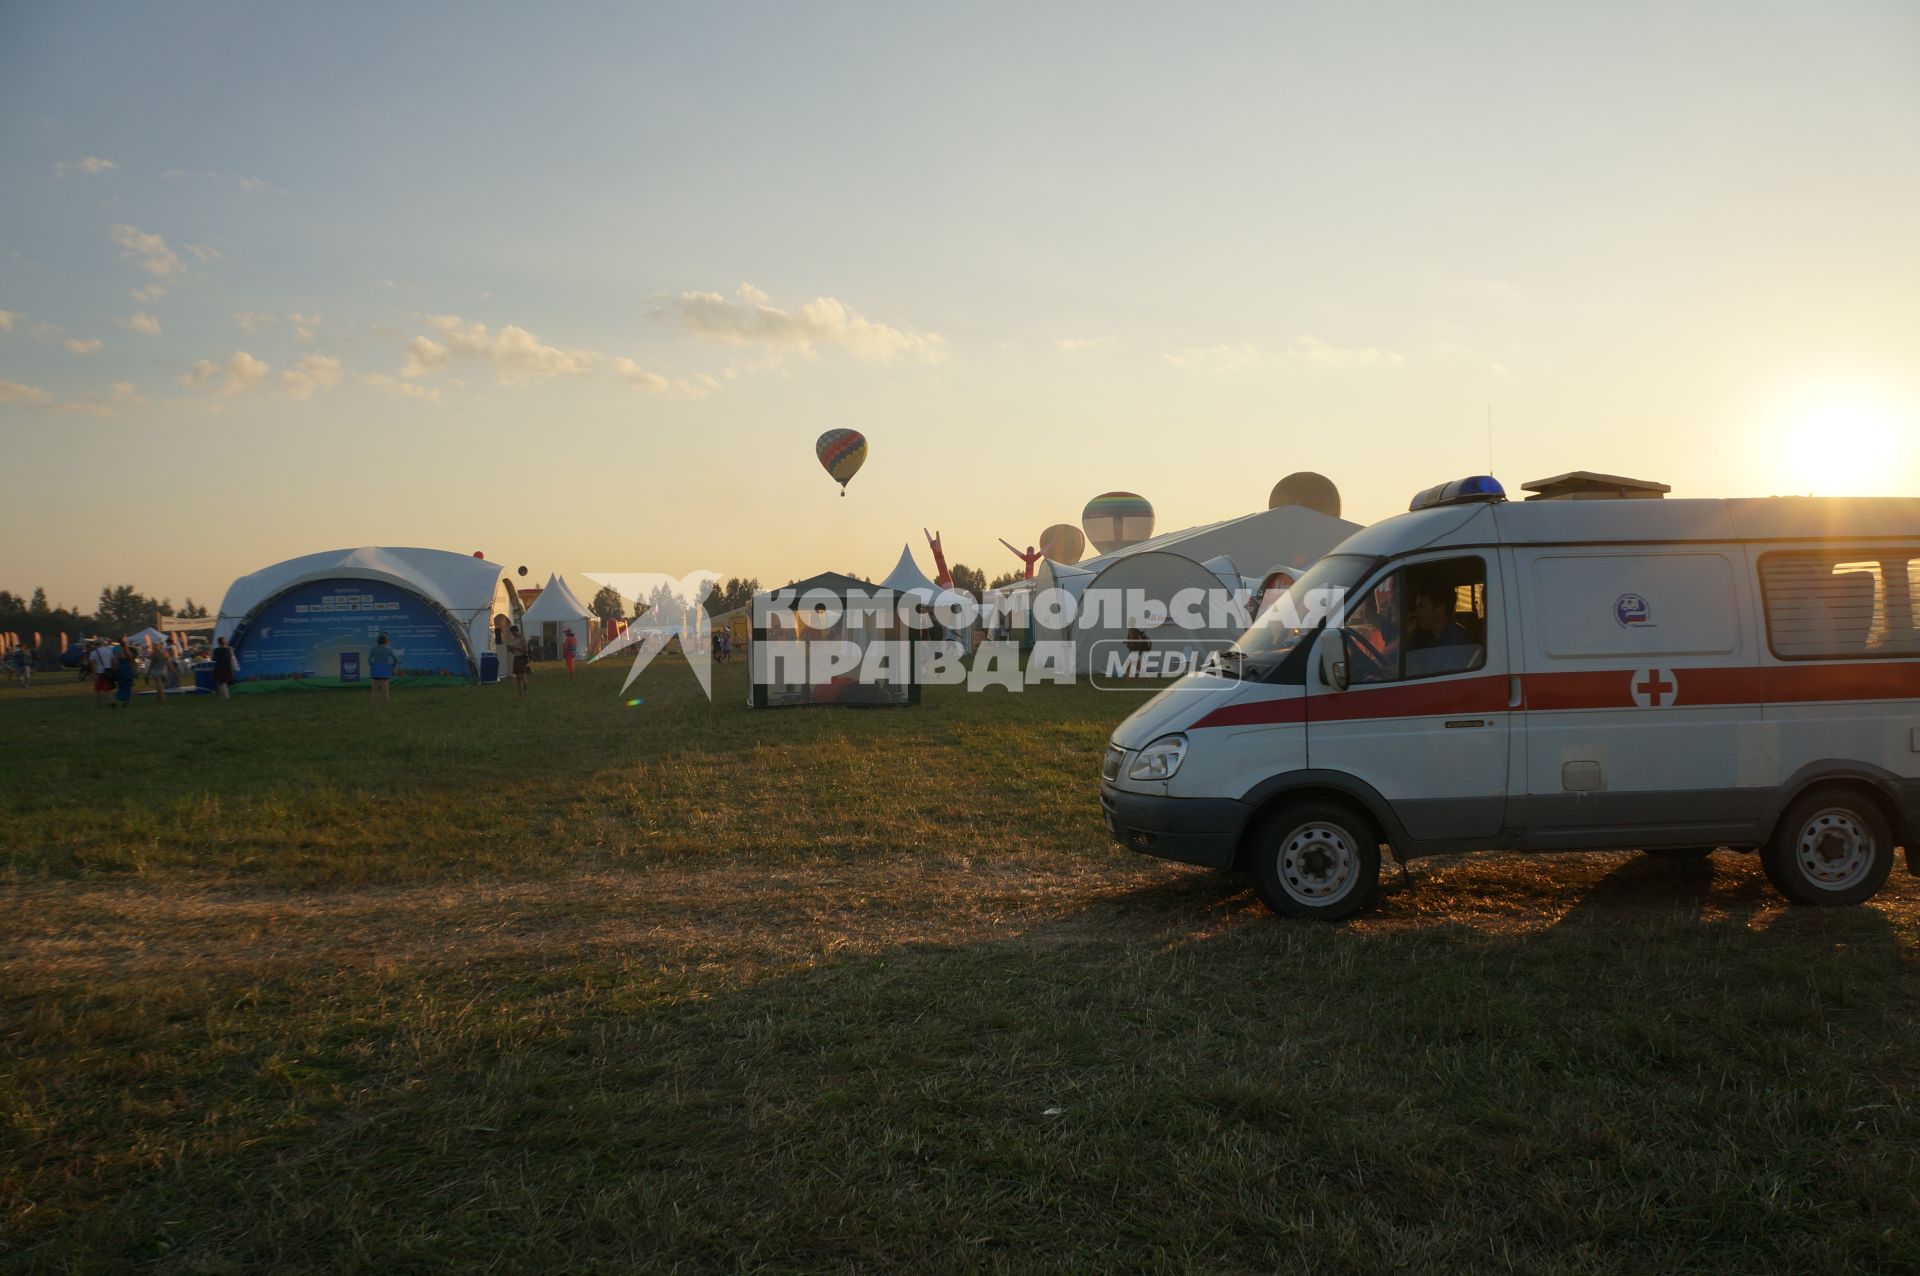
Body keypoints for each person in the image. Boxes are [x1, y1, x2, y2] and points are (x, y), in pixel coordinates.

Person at [367, 633, 398, 707]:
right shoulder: (389, 649)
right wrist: (392, 667)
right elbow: (396, 660)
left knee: (374, 690)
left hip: (376, 669)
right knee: (385, 690)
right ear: (386, 641)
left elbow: (369, 659)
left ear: (378, 641)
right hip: (385, 670)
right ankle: (387, 705)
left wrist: (372, 666)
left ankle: (373, 706)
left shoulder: (373, 648)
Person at [89, 638, 115, 707]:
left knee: (98, 689)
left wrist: (94, 675)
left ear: (95, 644)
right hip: (108, 671)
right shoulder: (108, 651)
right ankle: (111, 700)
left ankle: (98, 703)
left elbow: (93, 665)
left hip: (99, 672)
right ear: (103, 643)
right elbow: (113, 661)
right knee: (108, 688)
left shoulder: (93, 653)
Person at [506, 624, 530, 699]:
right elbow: (514, 651)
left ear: (516, 631)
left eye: (513, 633)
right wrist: (510, 649)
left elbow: (526, 650)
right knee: (517, 678)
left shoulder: (522, 638)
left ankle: (525, 694)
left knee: (522, 677)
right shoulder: (514, 639)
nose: (512, 635)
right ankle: (520, 695)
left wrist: (515, 647)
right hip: (516, 658)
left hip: (522, 658)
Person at [210, 635, 238, 700]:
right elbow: (232, 659)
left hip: (219, 668)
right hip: (227, 667)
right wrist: (233, 667)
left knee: (221, 682)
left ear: (218, 643)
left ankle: (225, 697)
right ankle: (224, 696)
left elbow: (213, 658)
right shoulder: (229, 649)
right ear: (225, 642)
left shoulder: (216, 650)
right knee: (222, 682)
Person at [112, 639, 137, 708]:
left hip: (121, 668)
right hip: (128, 668)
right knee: (128, 685)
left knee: (121, 684)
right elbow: (132, 661)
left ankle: (119, 698)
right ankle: (127, 701)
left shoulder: (119, 652)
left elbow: (115, 661)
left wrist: (115, 669)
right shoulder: (128, 652)